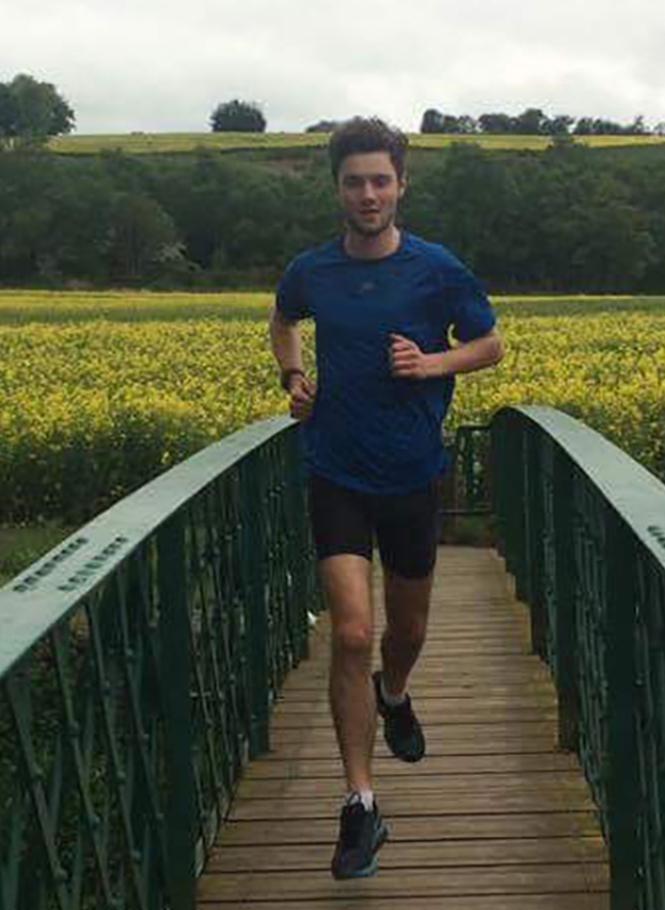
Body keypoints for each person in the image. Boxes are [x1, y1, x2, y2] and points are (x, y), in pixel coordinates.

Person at [266, 116, 504, 880]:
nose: (367, 193)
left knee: (406, 630)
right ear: (336, 188)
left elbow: (490, 344)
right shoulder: (312, 269)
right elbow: (281, 321)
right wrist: (293, 378)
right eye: (353, 181)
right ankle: (360, 805)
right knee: (352, 631)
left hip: (411, 474)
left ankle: (395, 695)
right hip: (334, 469)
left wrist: (435, 362)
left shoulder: (437, 269)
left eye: (380, 180)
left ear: (401, 184)